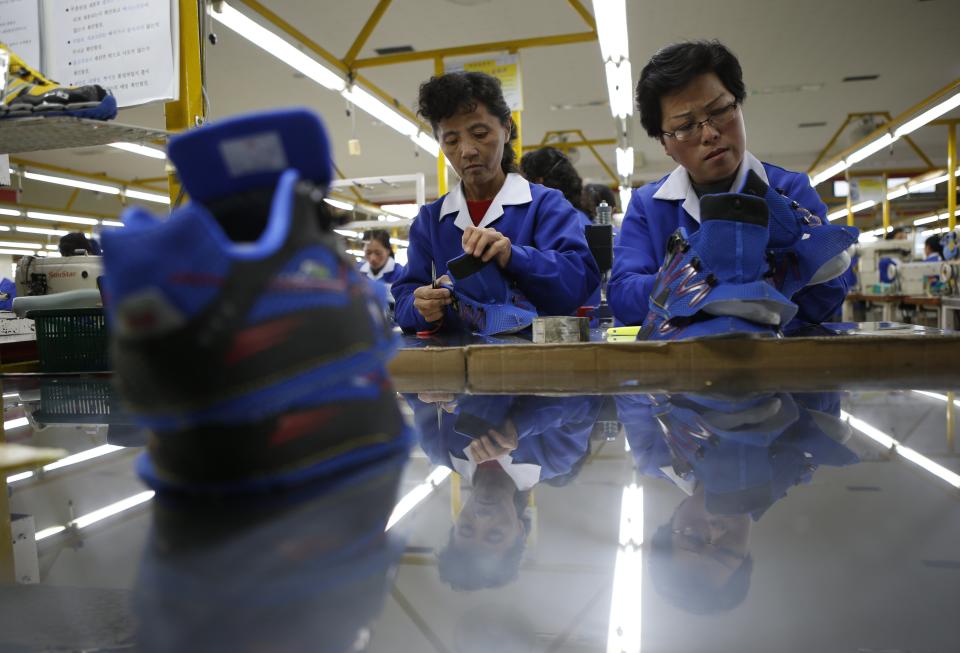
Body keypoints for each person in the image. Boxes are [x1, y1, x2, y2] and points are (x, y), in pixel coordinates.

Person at [608, 41, 849, 328]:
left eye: (720, 110)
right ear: (664, 144)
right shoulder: (649, 205)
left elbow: (833, 289)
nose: (709, 133)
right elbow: (623, 296)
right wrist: (698, 275)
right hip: (684, 362)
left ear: (739, 104)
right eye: (685, 127)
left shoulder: (788, 189)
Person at [391, 72, 599, 333]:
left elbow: (578, 284)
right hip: (456, 364)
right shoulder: (431, 221)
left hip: (536, 363)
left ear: (506, 128)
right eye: (452, 141)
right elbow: (403, 300)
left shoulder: (545, 205)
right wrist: (420, 306)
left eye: (479, 133)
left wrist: (513, 256)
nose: (467, 150)